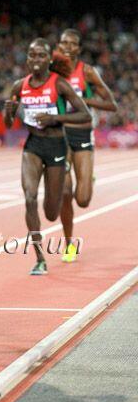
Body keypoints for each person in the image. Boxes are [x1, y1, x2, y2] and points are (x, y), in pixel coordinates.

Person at [5, 38, 91, 275]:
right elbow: (7, 124)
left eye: (41, 55)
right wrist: (9, 113)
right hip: (33, 146)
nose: (36, 59)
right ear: (27, 58)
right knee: (29, 197)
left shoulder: (59, 84)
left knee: (51, 212)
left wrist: (55, 118)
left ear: (49, 60)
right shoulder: (19, 86)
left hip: (56, 146)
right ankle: (40, 259)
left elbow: (84, 114)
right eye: (32, 55)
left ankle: (55, 212)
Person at [57, 28, 118, 262]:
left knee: (82, 199)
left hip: (82, 133)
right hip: (60, 135)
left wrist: (82, 100)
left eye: (72, 43)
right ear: (59, 46)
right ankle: (69, 244)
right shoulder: (51, 72)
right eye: (64, 43)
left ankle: (88, 178)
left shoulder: (87, 72)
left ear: (79, 49)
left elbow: (111, 104)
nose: (67, 47)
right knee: (64, 192)